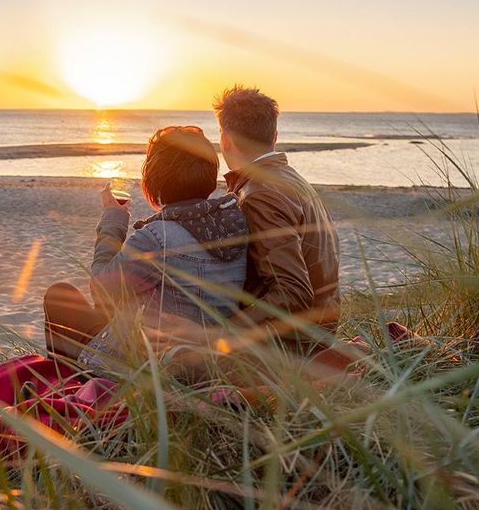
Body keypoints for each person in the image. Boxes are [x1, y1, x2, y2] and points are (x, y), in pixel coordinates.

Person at [146, 86, 341, 359]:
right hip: (316, 334)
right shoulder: (291, 179)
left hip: (291, 347)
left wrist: (216, 335)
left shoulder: (261, 195)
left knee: (162, 358)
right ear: (274, 136)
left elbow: (293, 291)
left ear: (225, 140)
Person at [43, 125, 249, 376]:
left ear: (155, 180)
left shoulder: (157, 237)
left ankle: (70, 389)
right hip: (208, 363)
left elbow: (101, 290)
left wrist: (113, 219)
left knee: (59, 295)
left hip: (152, 367)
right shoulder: (235, 223)